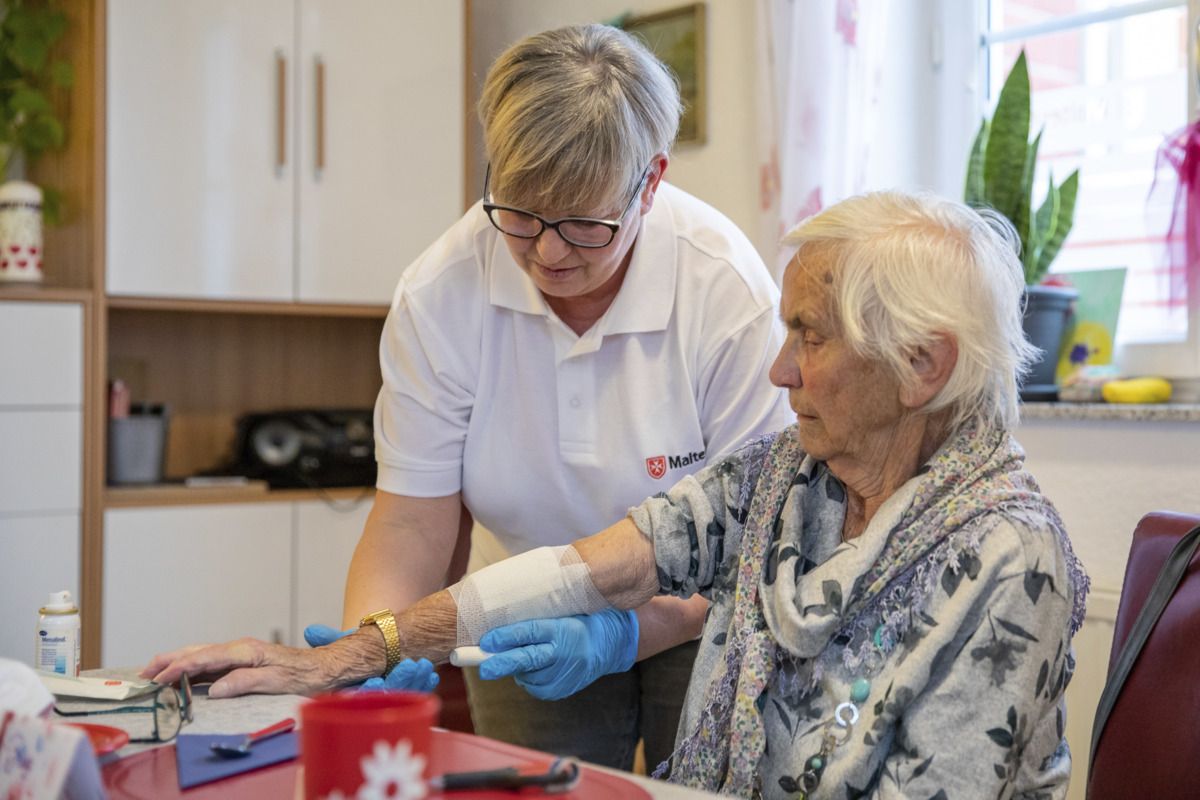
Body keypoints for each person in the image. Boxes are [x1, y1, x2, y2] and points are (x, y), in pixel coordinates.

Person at [145, 190, 1088, 798]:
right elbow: (586, 569)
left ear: (923, 366)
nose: (778, 370)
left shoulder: (1010, 560)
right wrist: (353, 654)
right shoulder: (785, 478)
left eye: (810, 337)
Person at [167, 22, 791, 772]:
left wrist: (620, 633)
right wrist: (375, 646)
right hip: (523, 612)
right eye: (521, 214)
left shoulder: (725, 292)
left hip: (700, 611)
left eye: (585, 226)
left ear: (650, 183)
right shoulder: (443, 292)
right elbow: (411, 521)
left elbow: (754, 545)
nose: (548, 253)